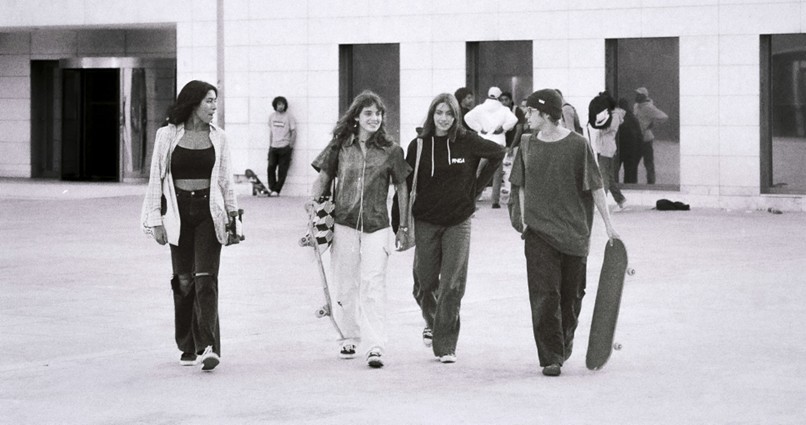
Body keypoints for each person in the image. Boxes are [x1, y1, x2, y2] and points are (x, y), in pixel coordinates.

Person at [509, 89, 619, 377]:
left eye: (531, 111)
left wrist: (609, 225)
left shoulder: (578, 145)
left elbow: (596, 185)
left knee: (571, 298)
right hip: (539, 234)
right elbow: (520, 184)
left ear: (546, 114)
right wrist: (526, 220)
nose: (526, 116)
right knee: (544, 296)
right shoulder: (527, 144)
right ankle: (551, 357)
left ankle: (562, 345)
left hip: (573, 234)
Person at [140, 80, 240, 372]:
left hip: (209, 211)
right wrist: (155, 221)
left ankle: (208, 346)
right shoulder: (167, 134)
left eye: (215, 101)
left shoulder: (219, 137)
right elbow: (155, 179)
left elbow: (226, 180)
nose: (213, 107)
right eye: (209, 101)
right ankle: (187, 344)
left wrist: (233, 218)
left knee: (206, 279)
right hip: (178, 211)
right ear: (194, 103)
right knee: (184, 281)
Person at [310, 90, 412, 369]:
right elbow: (324, 176)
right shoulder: (340, 145)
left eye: (378, 114)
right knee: (345, 283)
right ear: (356, 116)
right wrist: (312, 207)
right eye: (368, 113)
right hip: (343, 222)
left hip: (377, 225)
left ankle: (375, 345)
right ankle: (348, 337)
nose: (374, 118)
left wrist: (404, 225)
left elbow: (402, 187)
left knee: (373, 284)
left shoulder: (392, 150)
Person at [408, 93, 505, 363]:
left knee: (451, 285)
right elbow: (405, 184)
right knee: (425, 283)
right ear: (432, 115)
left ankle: (446, 345)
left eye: (449, 113)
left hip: (458, 221)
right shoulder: (419, 145)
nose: (444, 118)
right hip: (426, 220)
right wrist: (399, 223)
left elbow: (498, 153)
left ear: (456, 116)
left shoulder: (466, 141)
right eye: (439, 113)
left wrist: (476, 188)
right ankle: (433, 321)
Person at [463, 86, 518, 207]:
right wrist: (503, 128)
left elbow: (467, 117)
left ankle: (473, 196)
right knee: (497, 173)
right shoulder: (503, 109)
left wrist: (479, 128)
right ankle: (495, 201)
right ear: (499, 96)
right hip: (498, 142)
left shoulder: (480, 108)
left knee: (478, 171)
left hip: (483, 141)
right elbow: (514, 119)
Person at [590, 91, 627, 209]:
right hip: (602, 148)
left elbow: (609, 128)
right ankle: (620, 199)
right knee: (608, 176)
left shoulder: (615, 115)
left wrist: (599, 124)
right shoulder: (608, 113)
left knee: (603, 176)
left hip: (607, 149)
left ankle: (603, 202)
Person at [633, 87, 668, 184]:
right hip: (636, 139)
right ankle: (633, 183)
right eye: (636, 94)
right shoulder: (636, 106)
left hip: (646, 139)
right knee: (633, 163)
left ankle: (651, 183)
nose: (636, 96)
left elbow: (664, 116)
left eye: (638, 95)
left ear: (644, 96)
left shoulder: (649, 107)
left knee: (648, 163)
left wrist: (653, 124)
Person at [267, 96, 296, 196]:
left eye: (282, 104)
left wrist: (290, 146)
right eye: (279, 104)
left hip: (284, 147)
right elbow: (271, 131)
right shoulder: (272, 116)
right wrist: (270, 145)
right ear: (275, 105)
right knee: (271, 167)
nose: (281, 106)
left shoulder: (289, 117)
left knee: (282, 170)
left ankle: (277, 190)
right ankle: (272, 188)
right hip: (273, 146)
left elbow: (293, 132)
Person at [616, 98, 643, 184]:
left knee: (614, 171)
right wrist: (639, 152)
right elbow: (639, 136)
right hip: (631, 148)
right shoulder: (633, 118)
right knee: (630, 174)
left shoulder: (617, 117)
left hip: (620, 148)